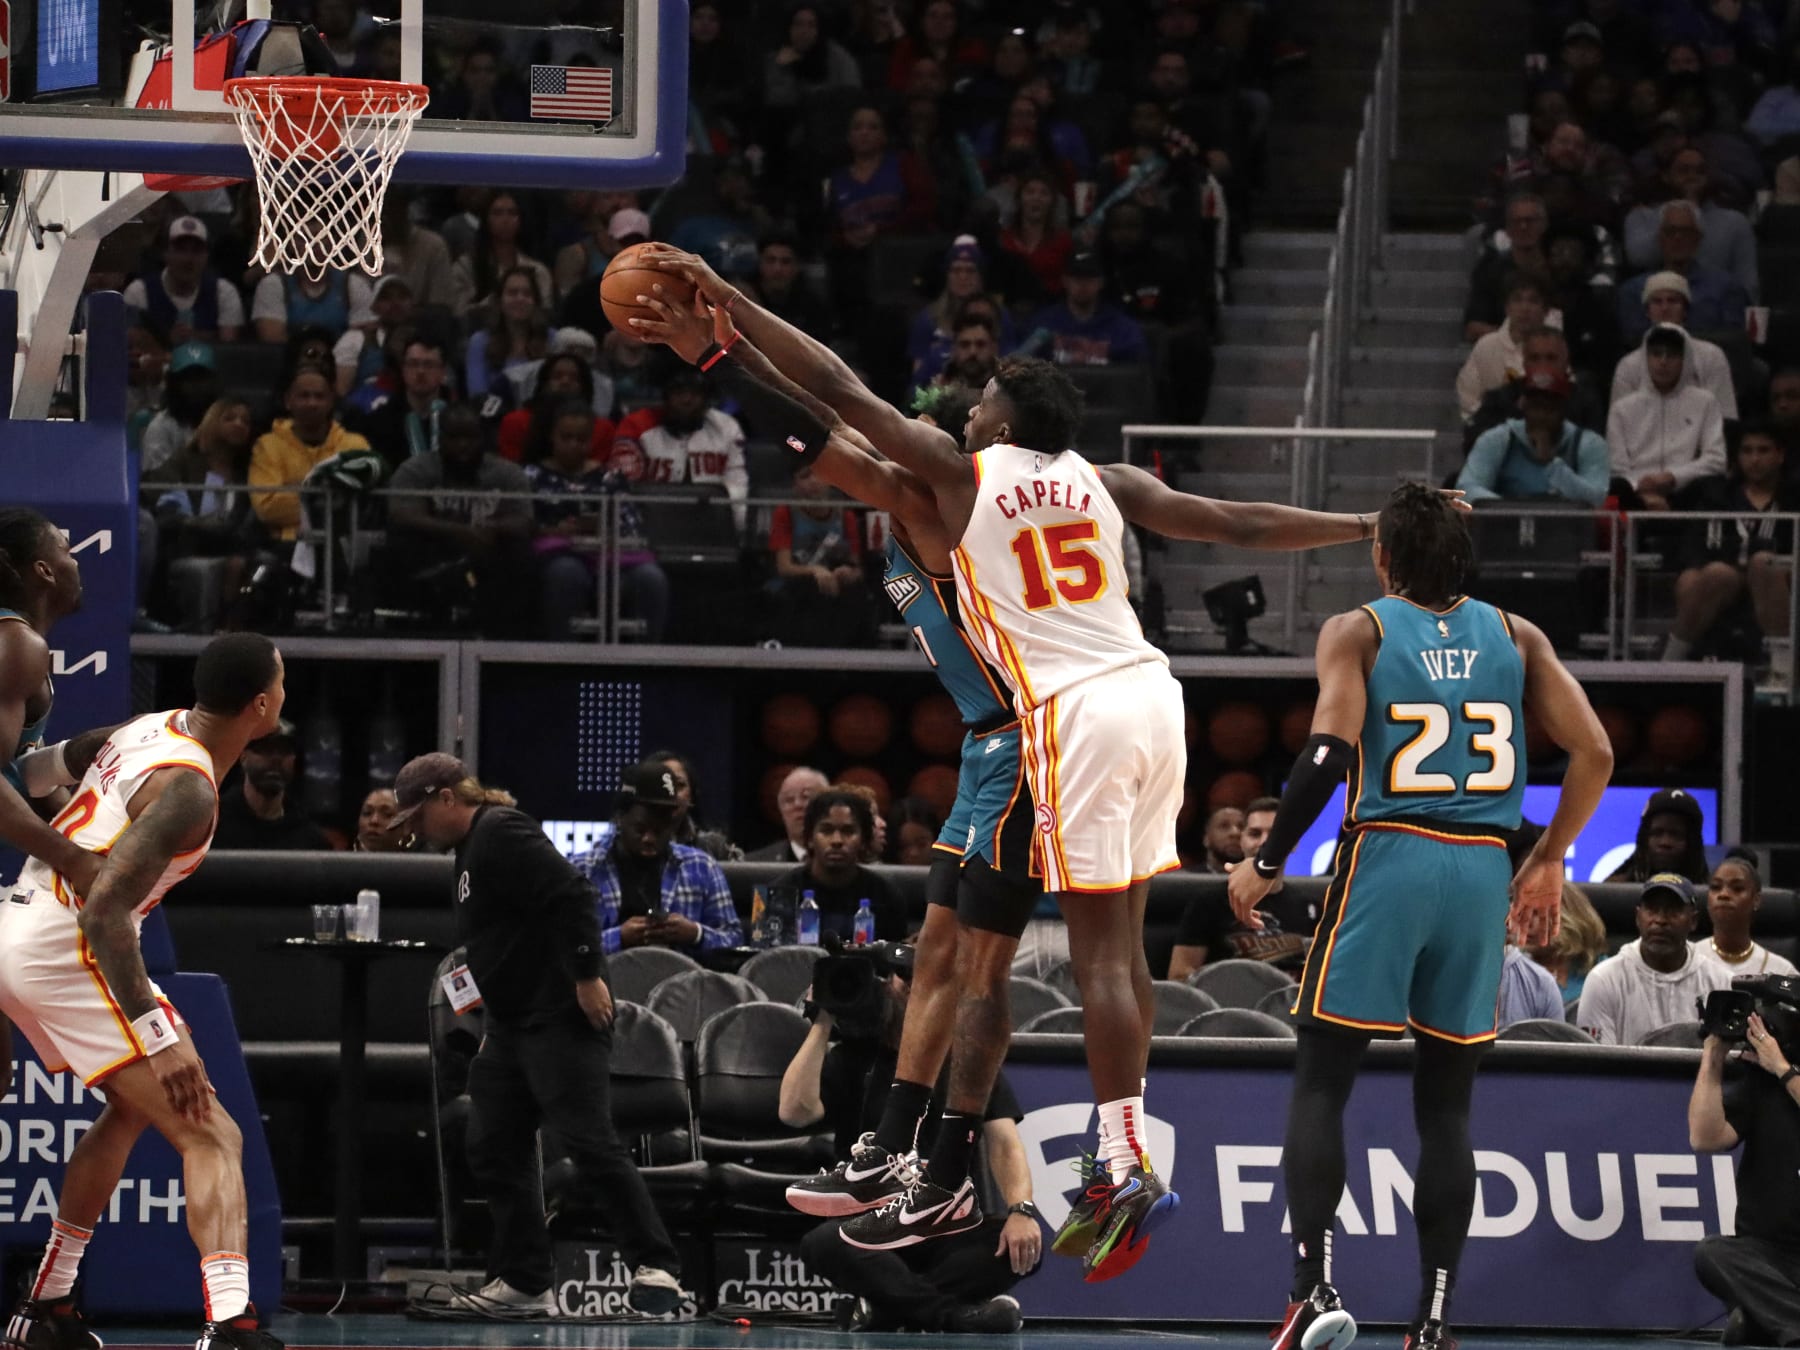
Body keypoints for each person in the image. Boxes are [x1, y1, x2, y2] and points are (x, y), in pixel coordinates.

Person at [632, 246, 1402, 1283]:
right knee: (1106, 949)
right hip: (1154, 695)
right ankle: (1062, 1152)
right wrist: (1364, 525)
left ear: (1000, 424)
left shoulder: (958, 477)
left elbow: (835, 393)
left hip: (1060, 719)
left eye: (980, 400)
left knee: (1049, 959)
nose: (965, 412)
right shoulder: (1109, 481)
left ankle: (1057, 1161)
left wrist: (729, 328)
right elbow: (1235, 522)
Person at [1224, 482, 1613, 1350]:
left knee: (1324, 1078)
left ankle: (1313, 1289)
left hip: (1391, 852)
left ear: (1381, 556)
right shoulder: (1518, 634)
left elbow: (1327, 750)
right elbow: (1596, 749)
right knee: (1447, 1110)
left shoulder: (1358, 629)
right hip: (1481, 872)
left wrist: (1266, 860)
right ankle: (1434, 1320)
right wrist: (1547, 858)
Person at [0, 633, 288, 1350]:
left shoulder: (145, 727)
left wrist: (86, 810)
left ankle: (48, 1308)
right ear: (262, 706)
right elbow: (104, 914)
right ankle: (230, 1324)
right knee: (211, 1131)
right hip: (66, 943)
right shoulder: (188, 789)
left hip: (22, 923)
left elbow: (33, 771)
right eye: (281, 682)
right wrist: (161, 1041)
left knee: (128, 1113)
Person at [386, 752, 682, 1316]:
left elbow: (572, 896)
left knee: (588, 1141)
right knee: (492, 1140)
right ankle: (524, 1281)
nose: (416, 834)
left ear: (447, 798)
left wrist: (588, 974)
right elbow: (505, 944)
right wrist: (495, 1019)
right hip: (513, 1026)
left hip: (559, 1018)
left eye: (418, 819)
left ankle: (658, 1266)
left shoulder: (501, 831)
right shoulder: (470, 852)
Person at [777, 943, 1038, 1335]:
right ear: (887, 984)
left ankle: (886, 1309)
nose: (912, 989)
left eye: (926, 979)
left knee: (1018, 1247)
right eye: (904, 978)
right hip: (871, 1228)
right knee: (823, 1243)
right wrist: (823, 1018)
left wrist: (1022, 1210)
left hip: (943, 1224)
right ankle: (953, 1317)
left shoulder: (967, 1061)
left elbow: (1004, 1141)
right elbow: (794, 1112)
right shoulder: (855, 1056)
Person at [1689, 1002, 1800, 1347]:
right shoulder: (1761, 1083)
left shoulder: (1780, 1075)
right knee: (1713, 1252)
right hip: (1768, 1256)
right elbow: (1705, 1138)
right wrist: (1713, 1055)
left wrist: (1783, 1069)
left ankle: (1766, 1321)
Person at [386, 404, 536, 637]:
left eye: (470, 437)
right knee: (401, 542)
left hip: (489, 554)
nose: (463, 445)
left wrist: (491, 527)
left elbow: (524, 521)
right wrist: (460, 531)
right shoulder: (416, 469)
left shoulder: (507, 473)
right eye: (454, 437)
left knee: (520, 552)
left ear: (483, 438)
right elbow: (401, 514)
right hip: (433, 553)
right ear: (440, 437)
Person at [575, 760, 742, 954]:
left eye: (659, 830)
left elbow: (735, 941)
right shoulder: (582, 871)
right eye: (640, 829)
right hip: (608, 981)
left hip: (682, 981)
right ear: (620, 819)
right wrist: (618, 937)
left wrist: (695, 934)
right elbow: (559, 946)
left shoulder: (701, 867)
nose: (649, 839)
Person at [1169, 796, 1316, 980]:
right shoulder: (1208, 903)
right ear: (1242, 841)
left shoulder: (1308, 907)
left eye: (1275, 834)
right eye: (1255, 834)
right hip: (1228, 1005)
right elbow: (1179, 974)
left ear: (1294, 843)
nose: (1264, 842)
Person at [1577, 874, 1732, 1044]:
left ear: (1693, 920)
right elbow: (1598, 1065)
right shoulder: (1604, 980)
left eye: (1672, 911)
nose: (1660, 920)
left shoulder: (1721, 983)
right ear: (1638, 917)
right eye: (1652, 909)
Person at [247, 364, 376, 544]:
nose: (312, 403)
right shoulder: (267, 446)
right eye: (304, 396)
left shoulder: (355, 444)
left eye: (319, 396)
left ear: (331, 401)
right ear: (288, 400)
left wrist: (297, 492)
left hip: (342, 543)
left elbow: (362, 501)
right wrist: (329, 497)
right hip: (286, 545)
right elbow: (266, 506)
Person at [1606, 324, 1728, 510]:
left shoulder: (1705, 401)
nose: (1663, 362)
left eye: (1671, 355)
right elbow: (1616, 466)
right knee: (1614, 488)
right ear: (1646, 359)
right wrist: (1643, 489)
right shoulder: (1622, 408)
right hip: (1636, 494)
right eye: (1656, 354)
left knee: (1713, 486)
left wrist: (1672, 477)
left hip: (1684, 492)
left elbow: (1716, 460)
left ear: (1684, 360)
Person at [1456, 367, 1611, 505]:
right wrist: (1511, 510)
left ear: (1564, 408)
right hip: (1506, 531)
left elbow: (1598, 499)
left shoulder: (1588, 444)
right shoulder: (1498, 438)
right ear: (1524, 406)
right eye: (1535, 407)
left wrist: (1553, 465)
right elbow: (1466, 489)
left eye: (1549, 408)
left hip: (1567, 532)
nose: (1541, 416)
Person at [771, 789, 907, 943]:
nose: (837, 840)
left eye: (848, 831)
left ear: (863, 841)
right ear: (809, 839)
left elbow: (897, 956)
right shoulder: (779, 894)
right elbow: (764, 962)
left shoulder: (887, 897)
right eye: (826, 831)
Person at [1609, 273, 1738, 420]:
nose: (1665, 308)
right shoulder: (1628, 366)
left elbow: (1725, 416)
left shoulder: (1712, 356)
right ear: (1647, 311)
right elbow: (1619, 423)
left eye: (1673, 301)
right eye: (1657, 301)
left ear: (1685, 310)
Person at [210, 719, 330, 851]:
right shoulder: (212, 827)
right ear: (243, 757)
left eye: (284, 751)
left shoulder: (309, 839)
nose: (276, 759)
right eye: (265, 749)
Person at [123, 216, 245, 345]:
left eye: (196, 250)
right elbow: (131, 346)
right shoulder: (138, 292)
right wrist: (167, 339)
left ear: (207, 256)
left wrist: (193, 337)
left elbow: (228, 348)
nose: (188, 259)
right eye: (180, 249)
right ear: (165, 253)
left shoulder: (224, 292)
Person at [1455, 275, 1551, 420]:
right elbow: (1467, 397)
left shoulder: (1555, 348)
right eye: (1517, 300)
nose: (1525, 308)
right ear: (1507, 308)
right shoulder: (1486, 346)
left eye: (1533, 301)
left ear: (1545, 311)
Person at [1698, 854, 1798, 977]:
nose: (1723, 894)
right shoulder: (1684, 960)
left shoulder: (1782, 972)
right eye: (1716, 887)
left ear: (1756, 900)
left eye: (1737, 888)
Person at [1526, 882, 1609, 1004]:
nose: (1526, 923)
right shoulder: (1511, 973)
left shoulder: (1604, 971)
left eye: (1536, 913)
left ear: (1566, 918)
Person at [1607, 786, 1711, 883]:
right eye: (1657, 833)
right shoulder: (1610, 892)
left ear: (1693, 843)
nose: (1665, 842)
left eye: (1676, 835)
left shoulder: (1713, 896)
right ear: (1644, 839)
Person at [747, 766, 829, 863]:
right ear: (781, 812)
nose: (797, 805)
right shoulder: (755, 864)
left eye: (806, 796)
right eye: (789, 799)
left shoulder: (849, 862)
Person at [1192, 806, 1244, 873]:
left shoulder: (1260, 879)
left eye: (1242, 826)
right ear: (1206, 838)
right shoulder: (1183, 880)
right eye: (1224, 826)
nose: (1235, 833)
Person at [354, 787, 406, 852]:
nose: (374, 821)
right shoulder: (340, 860)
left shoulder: (419, 861)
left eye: (387, 814)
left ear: (406, 827)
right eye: (367, 813)